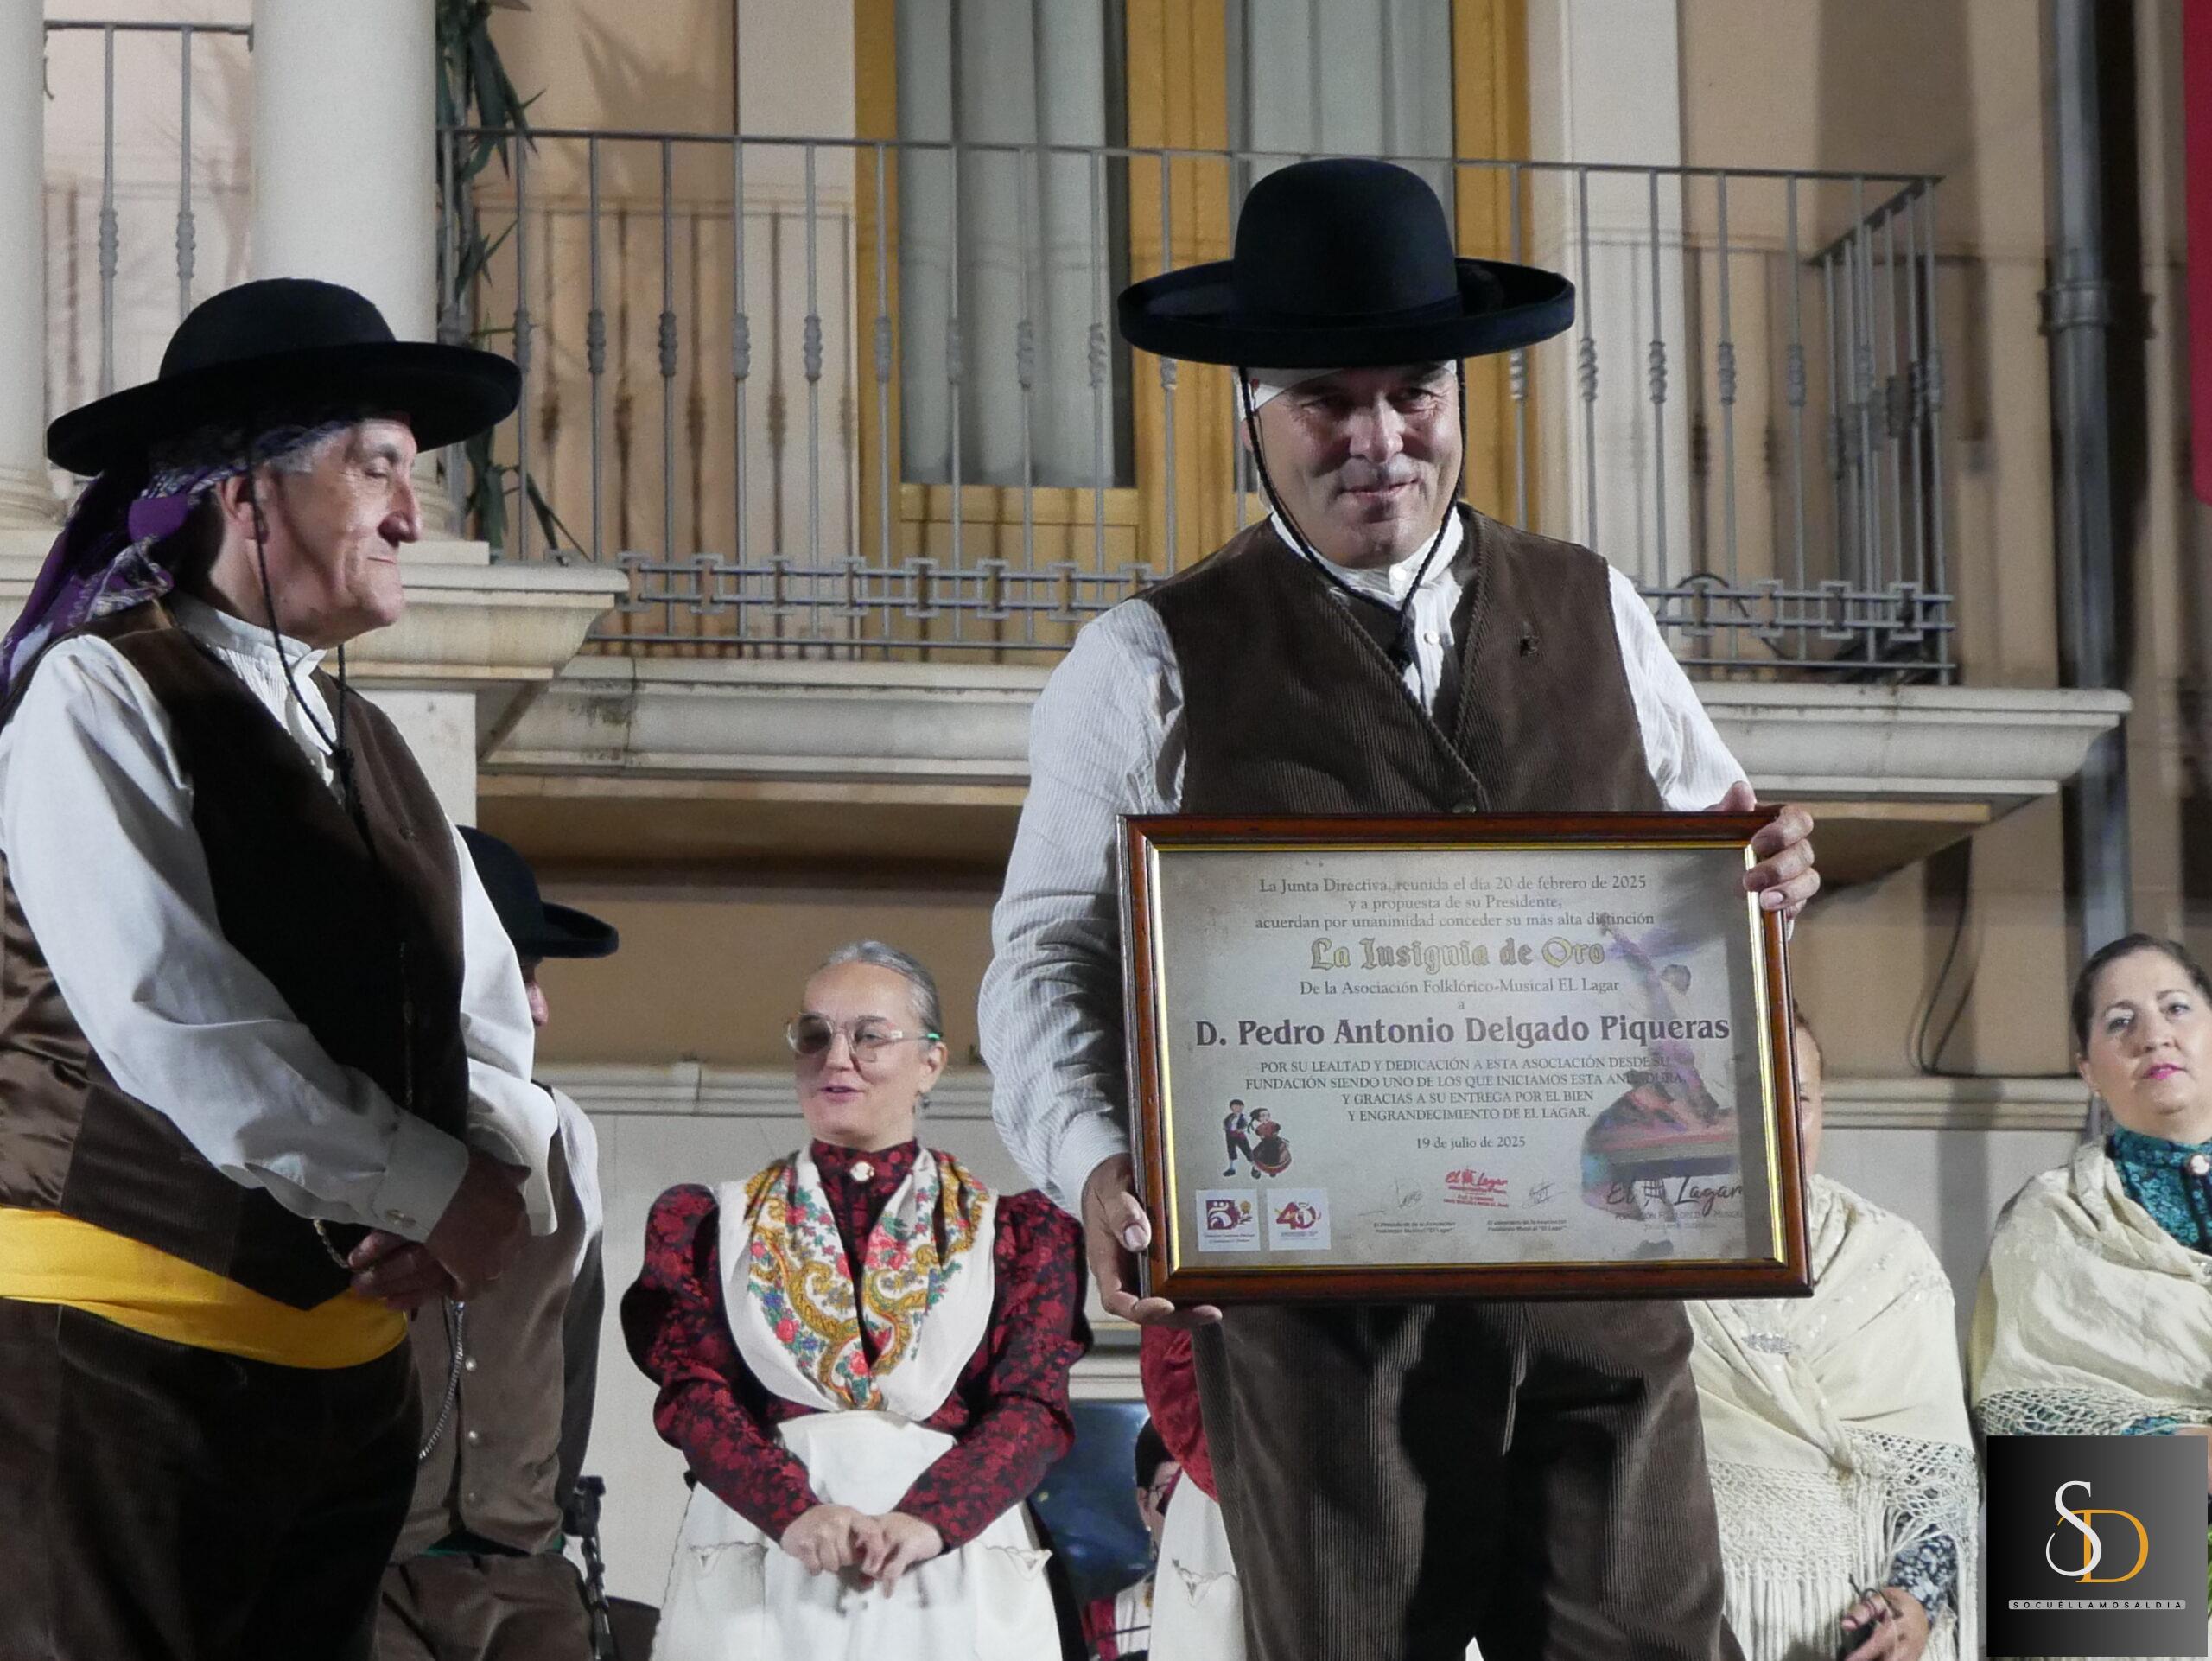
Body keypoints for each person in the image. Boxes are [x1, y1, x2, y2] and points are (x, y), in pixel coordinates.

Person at [981, 156, 1821, 1661]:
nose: (1379, 438)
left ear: (1460, 394)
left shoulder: (1598, 608)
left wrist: (1768, 888)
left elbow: (1711, 876)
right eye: (1328, 400)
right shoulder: (1147, 661)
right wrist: (1096, 1159)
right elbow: (1050, 953)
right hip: (1324, 1323)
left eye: (1413, 393)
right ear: (1250, 413)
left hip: (1603, 1286)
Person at [0, 277, 557, 1661]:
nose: (412, 516)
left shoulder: (375, 749)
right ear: (248, 495)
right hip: (118, 1362)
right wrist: (429, 1185)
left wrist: (488, 1164)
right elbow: (173, 1017)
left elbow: (482, 1016)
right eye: (378, 468)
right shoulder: (99, 691)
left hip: (340, 1387)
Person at [624, 940, 1090, 1658]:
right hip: (767, 1549)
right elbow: (695, 1397)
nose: (837, 1059)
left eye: (870, 1036)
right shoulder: (711, 1226)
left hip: (950, 1560)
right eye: (815, 1036)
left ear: (930, 1062)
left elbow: (1032, 1407)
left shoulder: (1018, 1234)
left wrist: (931, 1518)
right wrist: (793, 1511)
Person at [378, 827, 620, 1661]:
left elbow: (571, 1344)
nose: (540, 1008)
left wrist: (537, 1508)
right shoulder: (337, 1132)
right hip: (364, 1572)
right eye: (518, 975)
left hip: (525, 1576)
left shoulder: (566, 1133)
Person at [1688, 1006, 1976, 1661]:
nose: (1774, 1125)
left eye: (1799, 1100)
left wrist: (1912, 1603)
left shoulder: (1892, 1259)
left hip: (1853, 1625)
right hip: (1684, 1619)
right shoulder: (1638, 1263)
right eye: (1743, 1100)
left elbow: (1939, 1486)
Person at [1972, 932, 2212, 1657]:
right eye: (2120, 1021)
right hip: (2119, 1542)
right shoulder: (2051, 1219)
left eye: (2176, 1007)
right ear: (2087, 1069)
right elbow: (2018, 1410)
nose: (2154, 1034)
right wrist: (2183, 1448)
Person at [1082, 1420, 1176, 1660]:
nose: (1189, 1509)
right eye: (1171, 1491)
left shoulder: (1258, 1607)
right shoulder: (1106, 1624)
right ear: (1144, 1504)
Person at [1222, 1099, 1254, 1176]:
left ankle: (1255, 1167)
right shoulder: (1229, 1117)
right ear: (1231, 1108)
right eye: (1235, 1107)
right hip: (1230, 1136)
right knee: (1231, 1151)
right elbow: (1225, 1123)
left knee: (1247, 1151)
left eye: (1239, 1107)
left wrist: (1242, 1129)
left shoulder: (1244, 1117)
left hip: (1240, 1136)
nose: (1237, 1109)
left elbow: (1247, 1125)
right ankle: (1232, 1168)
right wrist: (1226, 1128)